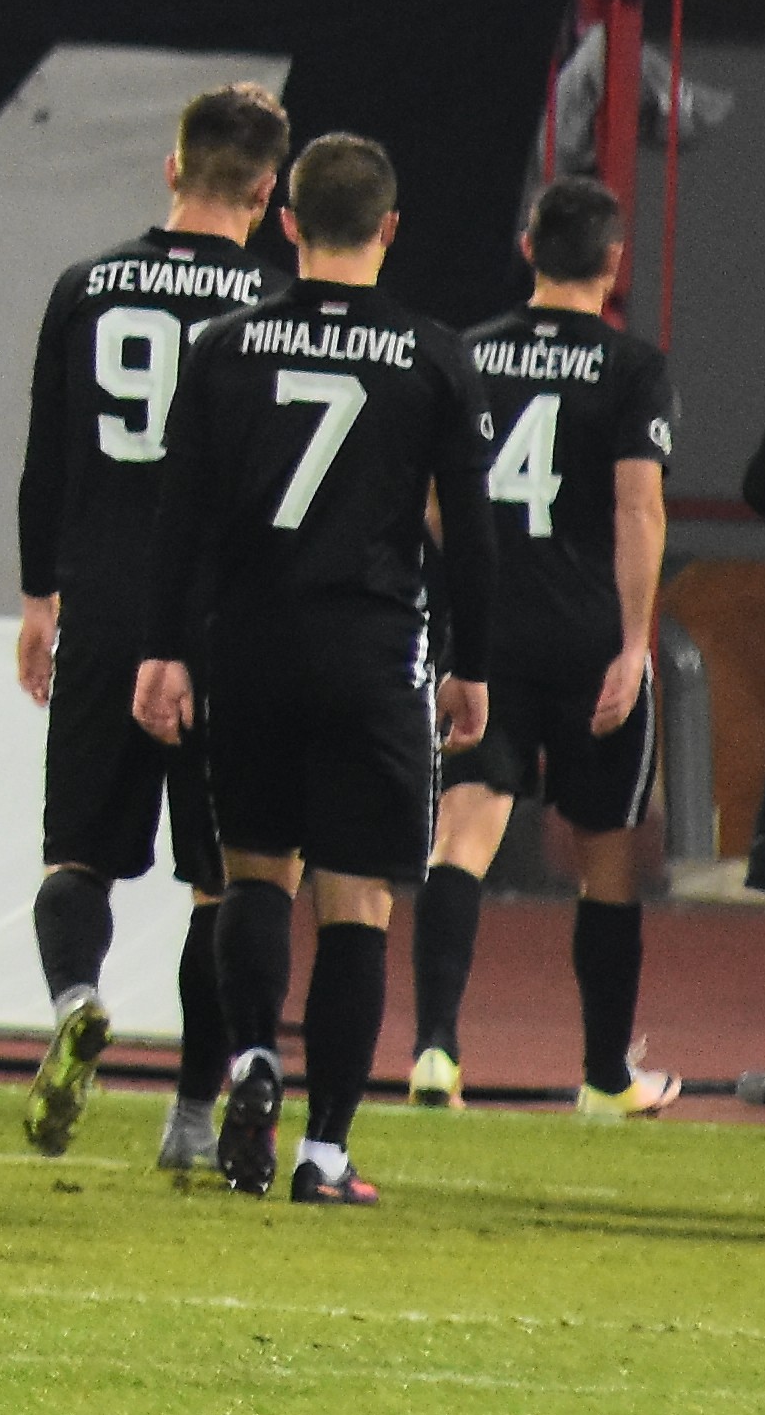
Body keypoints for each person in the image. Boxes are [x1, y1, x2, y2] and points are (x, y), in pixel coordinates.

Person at [133, 134, 499, 1205]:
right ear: (386, 229)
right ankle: (323, 1152)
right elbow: (469, 533)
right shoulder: (434, 354)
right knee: (355, 904)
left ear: (285, 221)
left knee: (251, 873)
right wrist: (470, 665)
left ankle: (251, 1054)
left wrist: (161, 647)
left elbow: (179, 519)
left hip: (247, 640)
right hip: (369, 649)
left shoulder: (220, 346)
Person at [8, 83, 287, 1173]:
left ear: (171, 170)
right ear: (266, 193)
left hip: (106, 601)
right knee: (215, 883)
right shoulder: (271, 305)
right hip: (219, 620)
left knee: (76, 855)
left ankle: (76, 996)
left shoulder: (85, 287)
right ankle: (185, 1116)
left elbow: (45, 457)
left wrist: (40, 600)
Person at [412, 179, 683, 1120]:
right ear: (613, 263)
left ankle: (435, 1050)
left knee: (464, 831)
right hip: (586, 636)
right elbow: (637, 509)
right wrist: (633, 641)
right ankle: (605, 1076)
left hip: (485, 635)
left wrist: (474, 589)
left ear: (526, 245)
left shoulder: (463, 353)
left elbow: (434, 499)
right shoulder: (634, 367)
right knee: (606, 853)